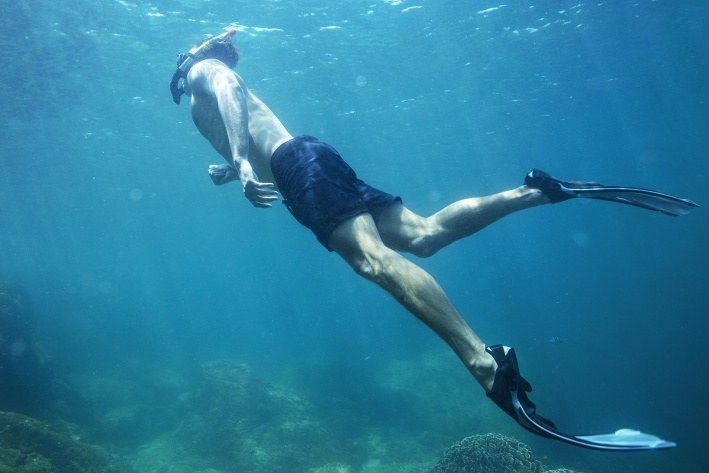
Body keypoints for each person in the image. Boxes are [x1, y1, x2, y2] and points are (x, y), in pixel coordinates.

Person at [169, 29, 696, 450]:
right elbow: (246, 118)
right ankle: (538, 191)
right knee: (424, 235)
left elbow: (230, 89)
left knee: (373, 262)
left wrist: (241, 160)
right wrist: (230, 167)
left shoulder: (200, 71)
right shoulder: (203, 90)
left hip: (297, 169)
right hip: (306, 159)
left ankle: (485, 365)